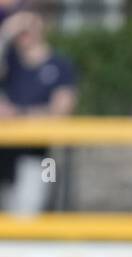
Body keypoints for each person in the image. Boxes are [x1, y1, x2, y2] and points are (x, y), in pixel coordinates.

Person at [0, 9, 76, 215]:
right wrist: (5, 33)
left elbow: (60, 111)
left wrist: (18, 114)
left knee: (34, 210)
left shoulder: (59, 65)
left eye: (29, 25)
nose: (24, 32)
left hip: (43, 155)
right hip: (5, 153)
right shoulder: (10, 64)